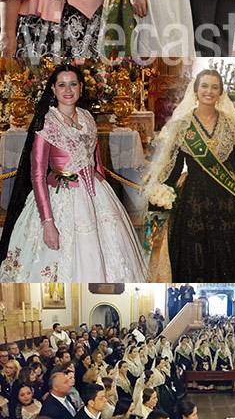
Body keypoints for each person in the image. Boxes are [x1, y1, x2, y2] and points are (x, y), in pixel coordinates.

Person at [0, 63, 147, 282]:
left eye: (73, 84)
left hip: (95, 193)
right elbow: (37, 175)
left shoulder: (87, 117)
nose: (68, 90)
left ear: (80, 88)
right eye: (62, 85)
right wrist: (48, 222)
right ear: (53, 89)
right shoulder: (46, 123)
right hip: (60, 196)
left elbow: (96, 162)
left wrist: (103, 197)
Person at [144, 68, 235, 281]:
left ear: (221, 92)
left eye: (215, 87)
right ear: (196, 90)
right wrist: (162, 195)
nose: (209, 91)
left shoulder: (230, 122)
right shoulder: (183, 124)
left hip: (227, 195)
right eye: (204, 86)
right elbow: (175, 165)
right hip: (193, 197)